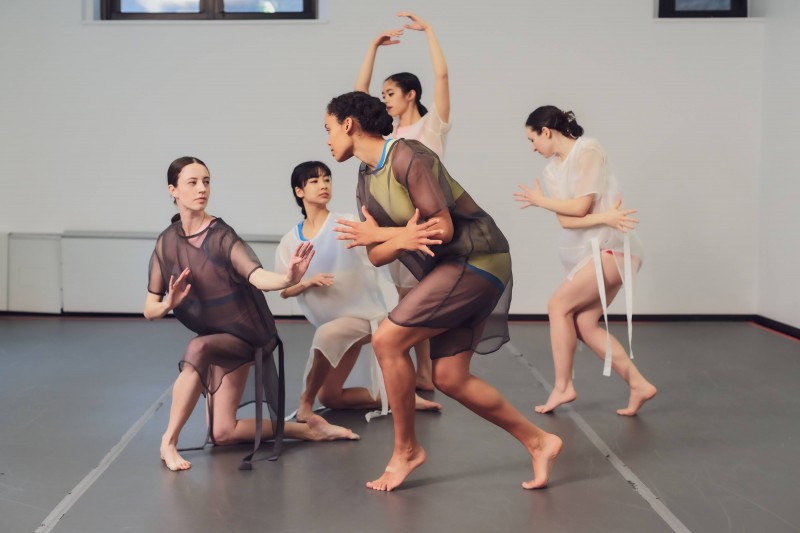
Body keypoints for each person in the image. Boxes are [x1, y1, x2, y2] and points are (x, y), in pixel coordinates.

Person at [325, 92, 563, 492]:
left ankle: (406, 451)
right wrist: (395, 237)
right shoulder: (366, 179)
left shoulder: (408, 157)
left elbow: (442, 229)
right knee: (450, 377)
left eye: (328, 130)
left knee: (387, 340)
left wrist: (386, 234)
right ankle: (539, 441)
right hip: (453, 268)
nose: (328, 140)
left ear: (348, 124)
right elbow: (377, 254)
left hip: (478, 259)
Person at [144, 156, 358, 473]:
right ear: (172, 190)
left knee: (197, 348)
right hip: (216, 335)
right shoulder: (167, 242)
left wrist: (288, 278)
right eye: (192, 182)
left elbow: (257, 276)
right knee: (222, 433)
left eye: (206, 181)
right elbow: (150, 309)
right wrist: (168, 303)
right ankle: (309, 429)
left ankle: (168, 442)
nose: (202, 189)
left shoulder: (220, 236)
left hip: (246, 333)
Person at [514, 106, 657, 416]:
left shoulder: (588, 150)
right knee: (584, 323)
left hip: (613, 249)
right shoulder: (552, 171)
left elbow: (579, 208)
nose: (533, 147)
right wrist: (603, 216)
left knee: (557, 307)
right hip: (598, 250)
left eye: (532, 139)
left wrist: (541, 202)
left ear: (547, 132)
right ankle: (639, 385)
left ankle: (564, 386)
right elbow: (568, 222)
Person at [275, 161, 442, 422]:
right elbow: (283, 290)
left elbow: (379, 244)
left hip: (366, 317)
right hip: (337, 325)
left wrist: (406, 234)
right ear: (299, 191)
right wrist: (307, 282)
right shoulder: (289, 241)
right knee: (330, 397)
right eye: (315, 181)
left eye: (327, 179)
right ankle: (404, 397)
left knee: (325, 335)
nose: (324, 185)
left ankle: (304, 406)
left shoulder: (347, 223)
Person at [353, 11, 452, 391]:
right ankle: (417, 371)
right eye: (383, 96)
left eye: (391, 93)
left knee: (415, 299)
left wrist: (429, 31)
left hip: (424, 222)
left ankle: (424, 371)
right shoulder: (386, 134)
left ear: (411, 94)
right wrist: (372, 48)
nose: (385, 101)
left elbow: (442, 77)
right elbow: (356, 101)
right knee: (402, 299)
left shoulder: (432, 126)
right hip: (392, 224)